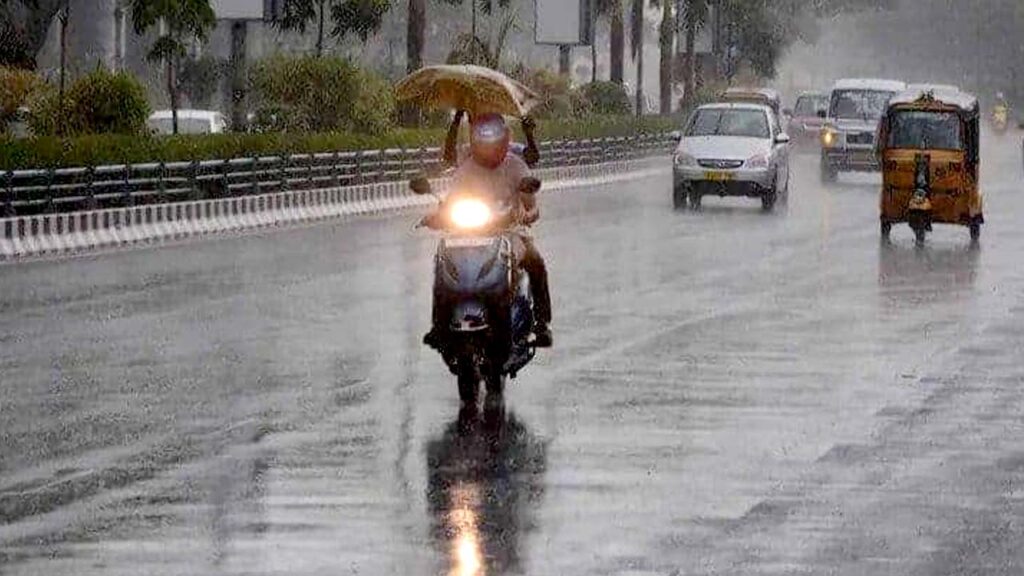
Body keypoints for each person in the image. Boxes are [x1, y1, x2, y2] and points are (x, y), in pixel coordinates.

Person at [426, 112, 552, 348]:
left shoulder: (516, 164)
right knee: (442, 261)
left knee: (536, 262)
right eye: (481, 134)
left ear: (504, 137)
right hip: (469, 233)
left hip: (509, 231)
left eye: (493, 134)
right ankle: (439, 324)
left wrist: (528, 214)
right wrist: (438, 216)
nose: (488, 141)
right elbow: (451, 198)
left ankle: (542, 323)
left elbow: (531, 204)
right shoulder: (465, 166)